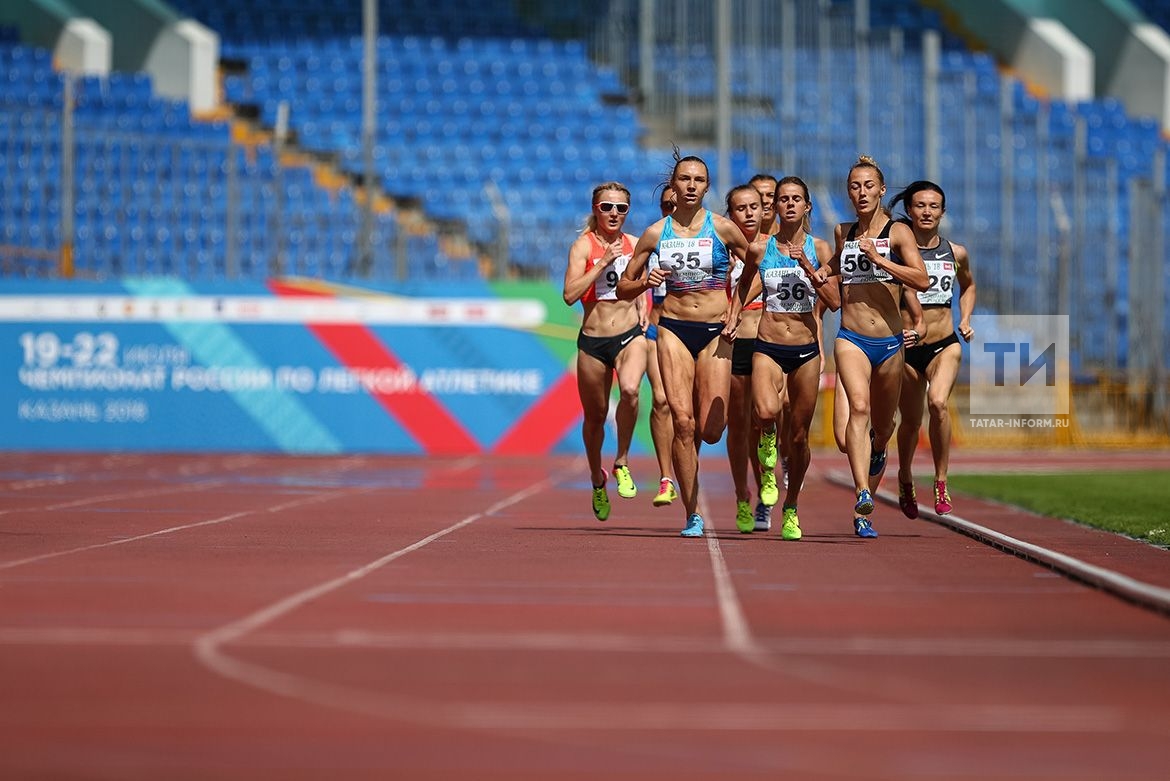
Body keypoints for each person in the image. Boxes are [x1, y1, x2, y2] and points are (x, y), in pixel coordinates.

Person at [618, 152, 752, 538]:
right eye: (684, 179)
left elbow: (756, 268)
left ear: (707, 187)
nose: (691, 185)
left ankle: (695, 487)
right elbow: (624, 285)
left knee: (712, 430)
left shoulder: (724, 229)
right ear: (673, 186)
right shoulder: (656, 233)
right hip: (674, 330)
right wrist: (646, 281)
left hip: (715, 333)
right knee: (683, 422)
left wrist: (736, 308)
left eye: (698, 180)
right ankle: (692, 513)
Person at [820, 156, 929, 538]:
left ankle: (880, 452)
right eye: (854, 186)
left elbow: (922, 278)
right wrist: (822, 271)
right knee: (859, 408)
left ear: (881, 190)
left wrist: (880, 259)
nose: (861, 192)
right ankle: (863, 494)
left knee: (882, 428)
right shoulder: (843, 231)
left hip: (889, 342)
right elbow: (836, 263)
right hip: (850, 338)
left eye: (868, 186)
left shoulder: (899, 232)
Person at [729, 175, 839, 540]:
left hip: (806, 350)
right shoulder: (761, 250)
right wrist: (733, 314)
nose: (789, 204)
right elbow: (745, 282)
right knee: (763, 413)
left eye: (796, 199)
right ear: (773, 207)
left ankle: (790, 507)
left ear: (807, 207)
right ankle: (767, 442)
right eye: (783, 199)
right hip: (769, 344)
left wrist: (808, 265)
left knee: (801, 437)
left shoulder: (821, 248)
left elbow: (836, 302)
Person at [890, 180, 976, 518]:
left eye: (934, 206)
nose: (927, 212)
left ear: (942, 211)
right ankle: (905, 476)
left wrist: (966, 318)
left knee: (938, 403)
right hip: (906, 348)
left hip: (944, 344)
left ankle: (941, 480)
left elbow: (968, 286)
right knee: (910, 422)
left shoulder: (956, 253)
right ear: (909, 210)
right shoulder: (896, 253)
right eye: (920, 206)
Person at [563, 181, 647, 521]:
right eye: (607, 207)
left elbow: (643, 278)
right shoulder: (583, 246)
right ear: (596, 209)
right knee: (595, 416)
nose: (614, 214)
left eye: (621, 208)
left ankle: (622, 461)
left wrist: (644, 300)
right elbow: (569, 294)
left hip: (629, 335)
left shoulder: (637, 244)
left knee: (630, 390)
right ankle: (598, 478)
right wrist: (601, 264)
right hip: (593, 341)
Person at [722, 184, 768, 533]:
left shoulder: (775, 247)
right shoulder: (721, 249)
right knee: (738, 426)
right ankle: (742, 496)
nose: (750, 213)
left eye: (755, 206)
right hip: (732, 344)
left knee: (767, 419)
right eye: (742, 208)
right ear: (731, 213)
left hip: (768, 342)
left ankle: (769, 482)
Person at [643, 186, 679, 507]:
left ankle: (686, 466)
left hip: (695, 330)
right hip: (657, 329)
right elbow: (628, 280)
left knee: (689, 411)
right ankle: (666, 476)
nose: (671, 209)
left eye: (676, 204)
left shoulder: (710, 235)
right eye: (666, 205)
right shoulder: (654, 239)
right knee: (661, 400)